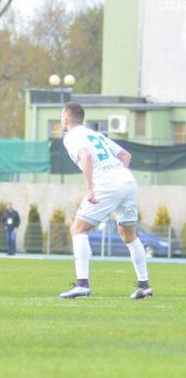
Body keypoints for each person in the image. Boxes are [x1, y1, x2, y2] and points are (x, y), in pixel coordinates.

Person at [59, 102, 152, 300]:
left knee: (78, 229)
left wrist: (90, 189)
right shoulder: (95, 134)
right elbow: (125, 155)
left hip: (107, 184)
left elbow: (86, 156)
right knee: (129, 236)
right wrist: (118, 179)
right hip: (127, 180)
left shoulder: (71, 136)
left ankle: (82, 285)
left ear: (66, 118)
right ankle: (144, 285)